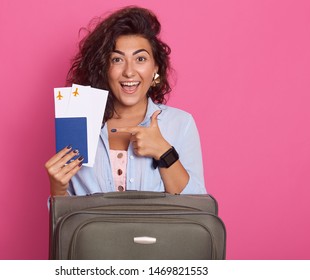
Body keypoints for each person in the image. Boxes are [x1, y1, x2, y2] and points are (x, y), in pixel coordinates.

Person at [45, 6, 206, 196]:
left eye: (140, 59)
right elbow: (65, 222)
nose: (129, 72)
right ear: (103, 68)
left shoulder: (180, 123)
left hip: (157, 227)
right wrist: (57, 188)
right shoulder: (78, 123)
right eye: (117, 60)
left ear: (155, 68)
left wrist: (164, 153)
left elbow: (198, 209)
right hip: (92, 227)